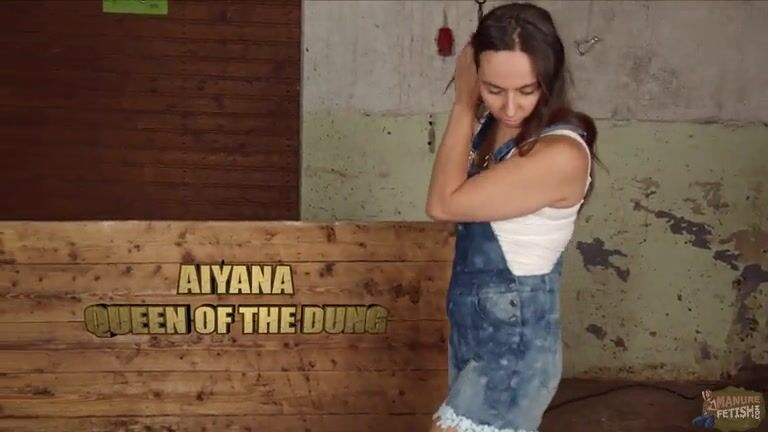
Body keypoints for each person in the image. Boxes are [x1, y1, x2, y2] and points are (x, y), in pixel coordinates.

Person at [425, 2, 599, 432]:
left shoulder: (559, 153)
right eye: (492, 89)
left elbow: (443, 203)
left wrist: (463, 103)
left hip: (513, 348)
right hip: (476, 334)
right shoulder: (496, 129)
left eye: (526, 90)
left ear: (549, 79)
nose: (509, 107)